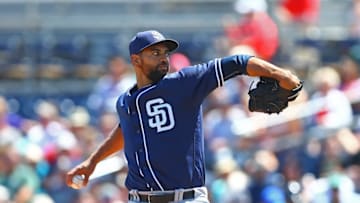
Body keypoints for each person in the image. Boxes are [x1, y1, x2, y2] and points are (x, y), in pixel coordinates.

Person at [66, 30, 301, 203]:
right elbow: (126, 131)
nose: (163, 58)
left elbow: (236, 63)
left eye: (165, 53)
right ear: (136, 60)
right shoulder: (125, 100)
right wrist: (92, 162)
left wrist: (281, 74)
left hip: (185, 198)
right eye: (154, 53)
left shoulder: (183, 83)